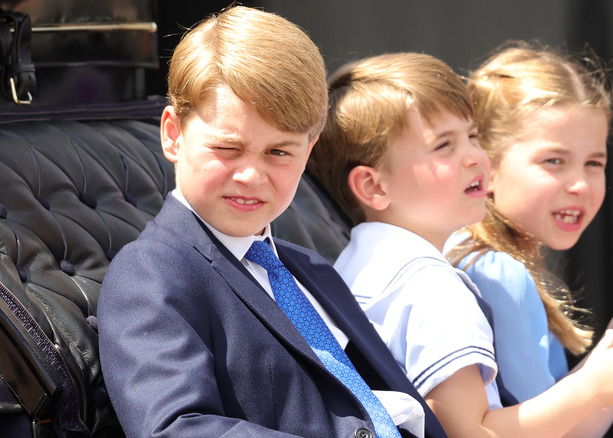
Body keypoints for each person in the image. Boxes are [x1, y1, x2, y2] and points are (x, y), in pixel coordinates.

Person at [97, 6, 447, 438]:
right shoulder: (152, 274)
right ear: (173, 134)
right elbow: (175, 428)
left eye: (279, 152)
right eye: (227, 148)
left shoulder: (312, 270)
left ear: (309, 150)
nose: (251, 175)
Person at [308, 51, 613, 438]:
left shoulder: (347, 269)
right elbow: (469, 432)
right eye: (444, 145)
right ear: (373, 186)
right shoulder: (435, 289)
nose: (475, 158)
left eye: (472, 137)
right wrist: (593, 388)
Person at [445, 41, 613, 436]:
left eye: (594, 163)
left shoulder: (467, 254)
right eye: (554, 160)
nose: (580, 185)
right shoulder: (498, 274)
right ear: (488, 166)